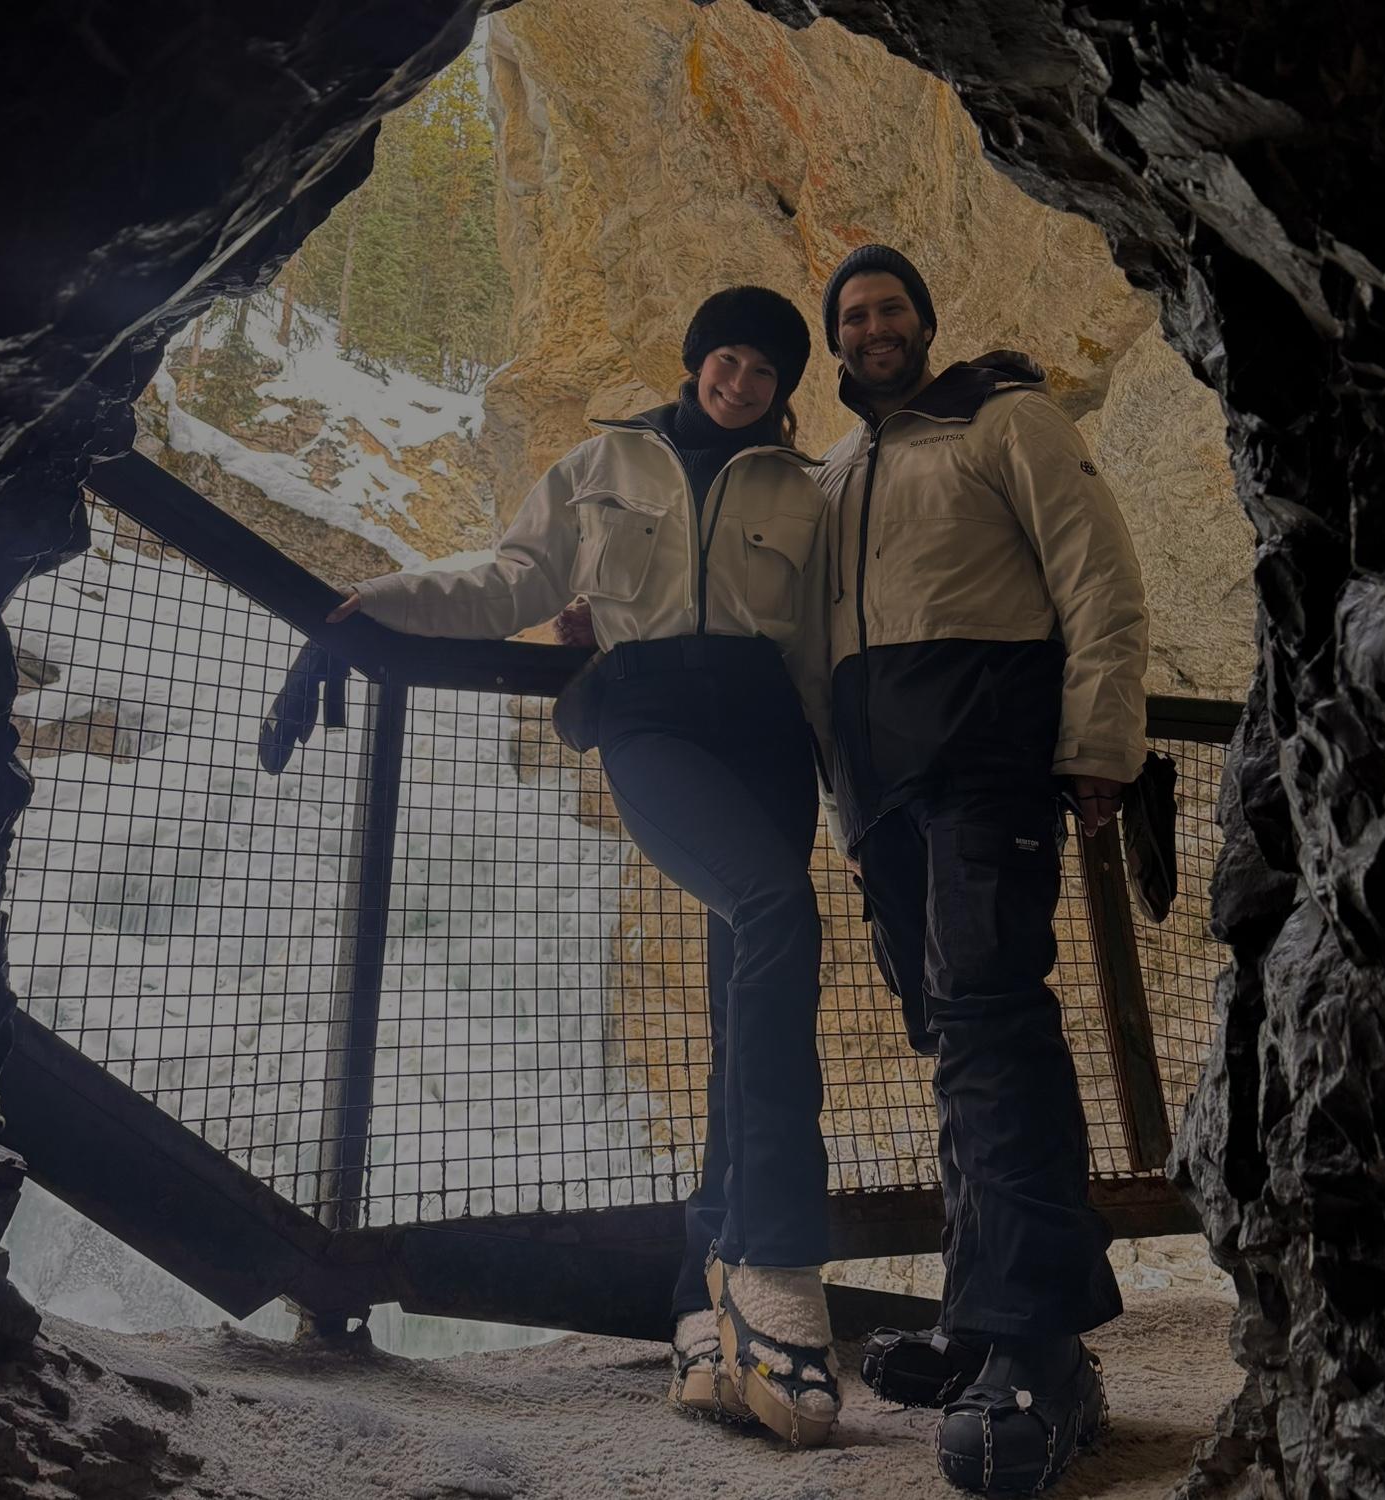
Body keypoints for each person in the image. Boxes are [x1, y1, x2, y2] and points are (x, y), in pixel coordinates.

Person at [328, 287, 842, 1447]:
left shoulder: (800, 491)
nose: (742, 379)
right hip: (651, 721)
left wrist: (845, 792)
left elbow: (813, 650)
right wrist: (388, 602)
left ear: (782, 388)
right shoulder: (605, 459)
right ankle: (771, 1249)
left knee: (744, 997)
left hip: (765, 739)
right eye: (729, 357)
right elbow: (516, 577)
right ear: (697, 357)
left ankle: (696, 1303)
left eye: (766, 368)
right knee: (773, 911)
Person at [815, 245, 1148, 1493]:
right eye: (853, 315)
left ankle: (1041, 1349)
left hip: (985, 767)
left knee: (995, 1028)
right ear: (837, 345)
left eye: (892, 304)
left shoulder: (1004, 418)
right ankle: (979, 1312)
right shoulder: (837, 472)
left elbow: (1097, 575)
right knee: (954, 1040)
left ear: (926, 319)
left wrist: (1100, 742)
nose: (875, 325)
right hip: (883, 799)